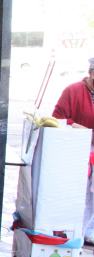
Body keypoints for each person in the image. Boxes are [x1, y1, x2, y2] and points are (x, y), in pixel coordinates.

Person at [51, 57, 94, 245]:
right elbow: (57, 119)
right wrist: (79, 128)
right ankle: (74, 235)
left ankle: (88, 231)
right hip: (77, 148)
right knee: (79, 193)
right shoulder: (74, 90)